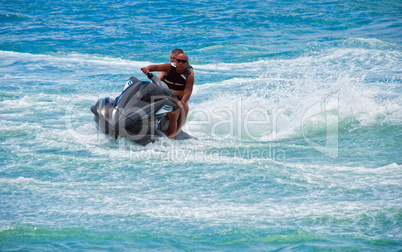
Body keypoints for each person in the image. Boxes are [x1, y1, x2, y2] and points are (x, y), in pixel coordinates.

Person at [141, 53, 194, 139]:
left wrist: (182, 102)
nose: (180, 63)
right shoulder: (168, 67)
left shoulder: (189, 77)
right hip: (163, 95)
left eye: (183, 61)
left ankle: (170, 139)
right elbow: (156, 67)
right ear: (175, 61)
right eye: (178, 61)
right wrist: (147, 69)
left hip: (176, 100)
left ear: (187, 64)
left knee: (172, 114)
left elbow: (188, 92)